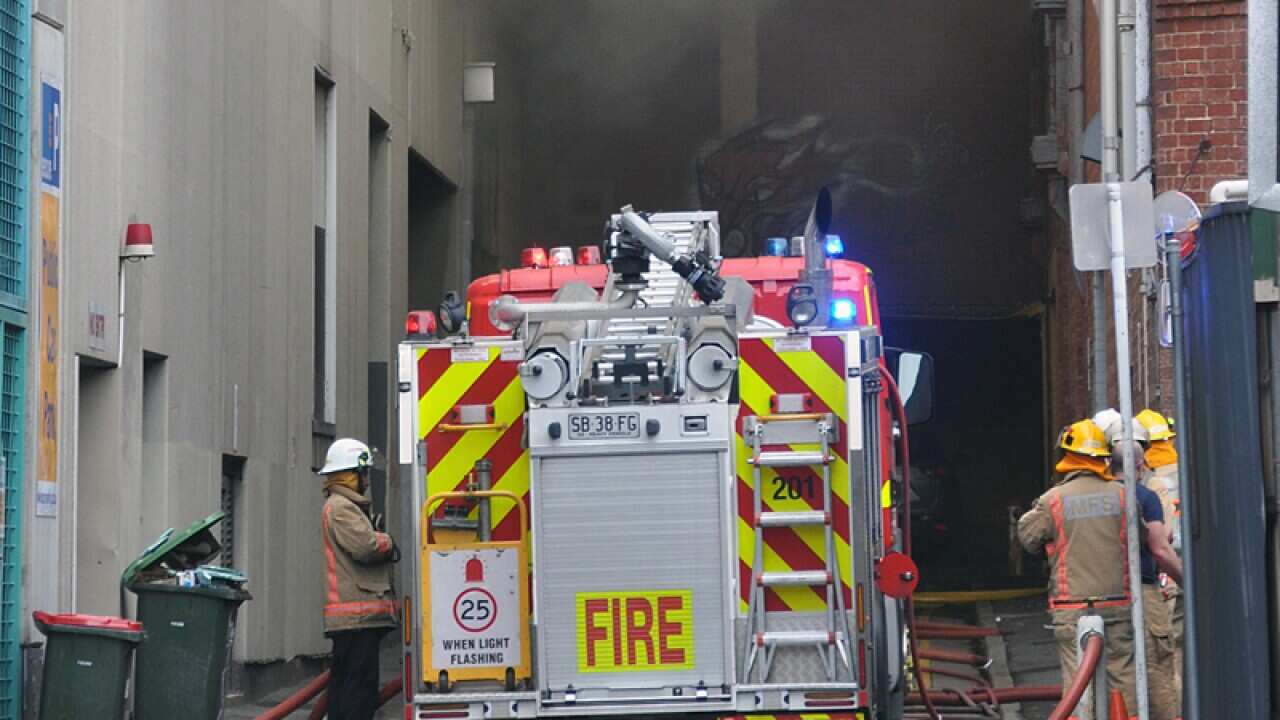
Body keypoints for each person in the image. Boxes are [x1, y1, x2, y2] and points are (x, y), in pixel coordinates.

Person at [1019, 419, 1137, 713]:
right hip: (1117, 602)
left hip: (1071, 606)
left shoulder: (1053, 501)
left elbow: (1028, 538)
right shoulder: (1124, 495)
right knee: (1121, 681)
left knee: (1077, 685)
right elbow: (1143, 539)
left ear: (1067, 456)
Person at [318, 438, 399, 720]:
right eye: (363, 473)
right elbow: (366, 547)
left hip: (358, 620)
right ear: (350, 474)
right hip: (357, 618)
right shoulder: (341, 507)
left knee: (349, 688)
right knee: (358, 693)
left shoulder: (345, 506)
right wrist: (387, 541)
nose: (366, 480)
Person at [1111, 438, 1183, 720]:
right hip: (1143, 590)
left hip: (1106, 596)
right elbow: (1160, 548)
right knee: (1158, 667)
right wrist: (1186, 579)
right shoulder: (1145, 497)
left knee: (1117, 669)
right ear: (1140, 464)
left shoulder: (1101, 497)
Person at [1135, 409, 1185, 701]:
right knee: (1176, 642)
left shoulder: (1149, 484)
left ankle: (1170, 703)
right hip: (1183, 564)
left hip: (1162, 567)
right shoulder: (1187, 471)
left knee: (1160, 649)